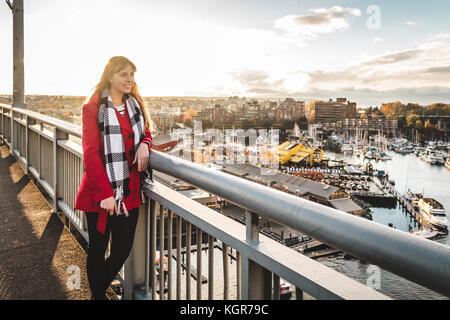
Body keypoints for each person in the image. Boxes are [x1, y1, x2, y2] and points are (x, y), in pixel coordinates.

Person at [75, 56, 153, 300]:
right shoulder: (93, 108)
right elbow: (90, 153)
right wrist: (105, 195)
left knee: (121, 250)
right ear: (110, 76)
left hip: (128, 192)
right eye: (123, 74)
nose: (129, 79)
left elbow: (146, 132)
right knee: (97, 250)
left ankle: (97, 289)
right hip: (101, 193)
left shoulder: (135, 105)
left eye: (132, 74)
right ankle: (98, 296)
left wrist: (145, 146)